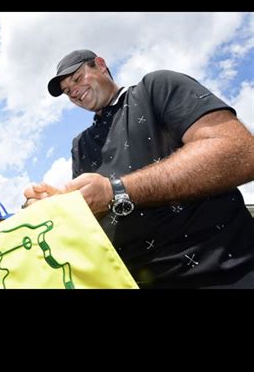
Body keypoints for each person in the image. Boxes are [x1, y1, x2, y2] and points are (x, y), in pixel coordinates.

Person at [24, 49, 254, 289]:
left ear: (101, 65)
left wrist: (117, 191)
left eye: (77, 78)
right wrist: (52, 208)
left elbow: (239, 151)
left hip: (224, 273)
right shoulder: (80, 145)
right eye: (68, 92)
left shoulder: (156, 88)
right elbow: (89, 216)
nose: (74, 92)